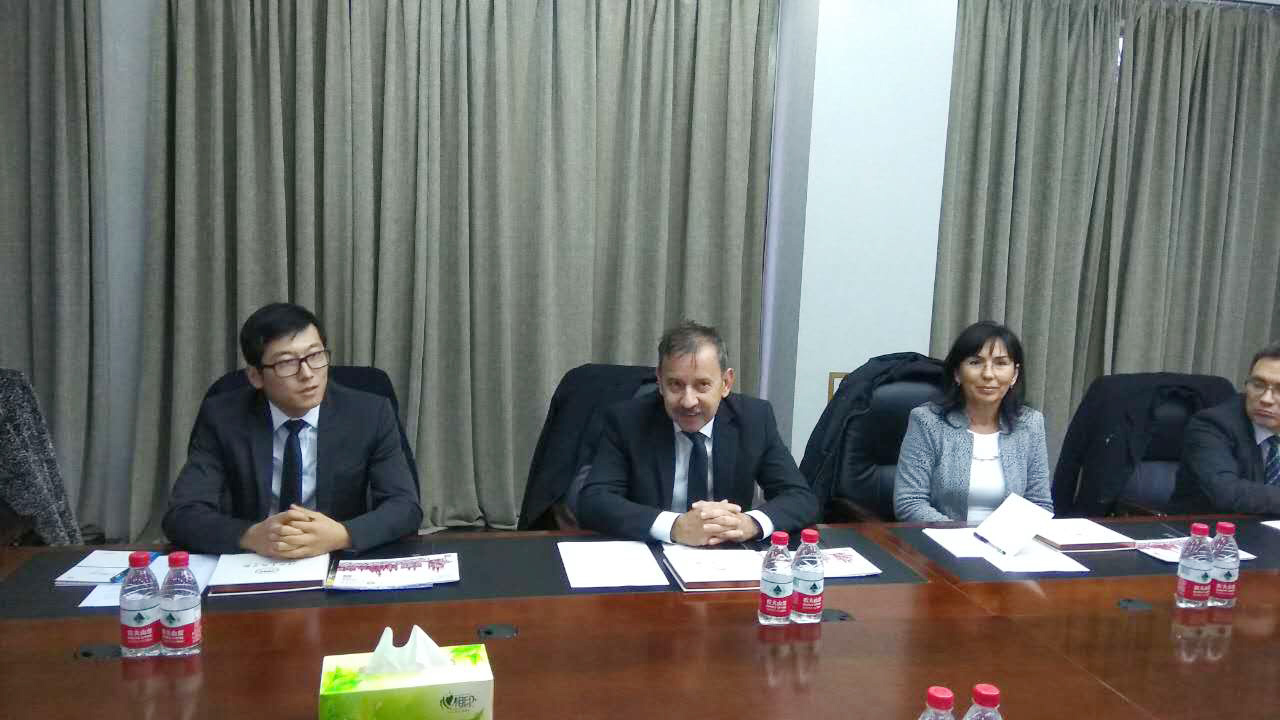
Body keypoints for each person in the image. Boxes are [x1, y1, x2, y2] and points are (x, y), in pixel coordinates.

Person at [162, 303, 422, 557]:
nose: (307, 374)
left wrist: (343, 534)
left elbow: (405, 507)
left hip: (335, 556)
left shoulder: (369, 414)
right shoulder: (223, 418)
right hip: (256, 559)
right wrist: (250, 535)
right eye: (287, 363)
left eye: (315, 355)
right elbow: (182, 514)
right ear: (256, 376)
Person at [577, 321, 819, 545]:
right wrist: (674, 527)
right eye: (675, 385)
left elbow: (800, 497)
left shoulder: (754, 419)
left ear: (726, 383)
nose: (688, 401)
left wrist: (750, 523)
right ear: (659, 381)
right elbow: (594, 501)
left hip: (728, 558)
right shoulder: (627, 421)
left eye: (702, 385)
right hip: (653, 556)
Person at [893, 321, 1052, 522]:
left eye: (1001, 363)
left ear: (1014, 374)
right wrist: (961, 536)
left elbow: (1039, 504)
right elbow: (910, 502)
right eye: (975, 362)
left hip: (1008, 540)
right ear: (957, 373)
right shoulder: (927, 421)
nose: (988, 374)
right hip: (941, 538)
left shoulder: (1030, 423)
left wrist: (1003, 537)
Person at [1175, 342, 1280, 514]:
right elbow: (1226, 492)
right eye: (1258, 384)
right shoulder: (1212, 424)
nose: (1266, 399)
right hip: (1208, 527)